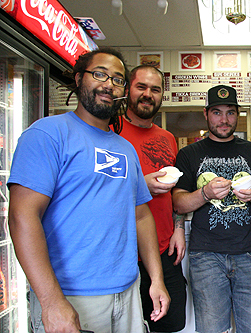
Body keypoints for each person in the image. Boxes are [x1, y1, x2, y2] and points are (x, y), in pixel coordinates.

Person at [7, 48, 170, 333]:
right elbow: (22, 217)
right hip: (70, 294)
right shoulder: (47, 134)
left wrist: (156, 278)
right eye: (100, 74)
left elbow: (141, 215)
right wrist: (51, 301)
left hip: (128, 291)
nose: (109, 84)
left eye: (118, 79)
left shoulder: (125, 149)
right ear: (80, 78)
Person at [172, 85, 251, 333]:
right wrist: (205, 193)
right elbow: (178, 202)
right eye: (217, 112)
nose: (224, 119)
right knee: (212, 330)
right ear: (206, 114)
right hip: (205, 256)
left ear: (237, 114)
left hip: (248, 253)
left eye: (230, 112)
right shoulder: (188, 154)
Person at [120, 65, 186, 332]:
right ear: (127, 90)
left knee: (170, 324)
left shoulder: (168, 138)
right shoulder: (110, 131)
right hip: (123, 252)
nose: (148, 94)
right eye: (141, 87)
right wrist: (140, 185)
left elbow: (175, 191)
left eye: (155, 89)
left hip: (163, 250)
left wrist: (179, 227)